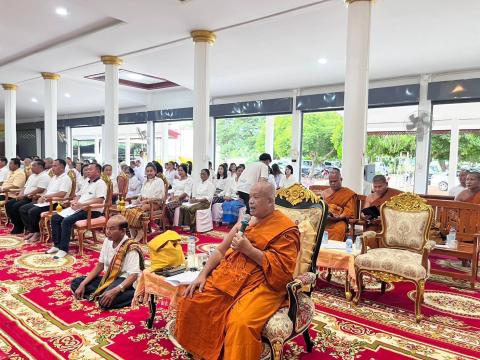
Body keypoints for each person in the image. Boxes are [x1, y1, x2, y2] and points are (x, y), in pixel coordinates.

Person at [174, 181, 300, 359]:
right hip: (231, 276)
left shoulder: (285, 229)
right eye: (251, 196)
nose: (251, 202)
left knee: (240, 322)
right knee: (190, 299)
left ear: (270, 202)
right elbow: (220, 250)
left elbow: (282, 272)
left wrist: (249, 250)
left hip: (264, 284)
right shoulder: (246, 222)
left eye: (256, 198)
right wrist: (202, 275)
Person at [71, 215, 144, 309]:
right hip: (109, 278)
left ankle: (138, 294)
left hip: (124, 281)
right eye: (107, 228)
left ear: (122, 231)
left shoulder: (131, 247)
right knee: (76, 283)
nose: (107, 232)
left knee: (104, 303)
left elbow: (133, 275)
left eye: (112, 229)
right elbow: (100, 265)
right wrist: (83, 284)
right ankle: (103, 295)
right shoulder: (107, 241)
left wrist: (116, 290)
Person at [47, 163, 107, 258]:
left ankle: (63, 249)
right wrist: (75, 201)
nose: (87, 171)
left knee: (66, 221)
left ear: (98, 172)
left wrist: (82, 204)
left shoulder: (101, 183)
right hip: (79, 208)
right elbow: (79, 194)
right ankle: (57, 245)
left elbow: (100, 199)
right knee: (55, 218)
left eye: (90, 169)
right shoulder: (86, 181)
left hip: (91, 211)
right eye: (86, 169)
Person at [20, 159, 73, 243]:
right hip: (47, 201)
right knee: (25, 208)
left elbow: (62, 193)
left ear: (62, 168)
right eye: (52, 166)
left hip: (57, 203)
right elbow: (47, 190)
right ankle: (33, 231)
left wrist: (46, 196)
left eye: (55, 166)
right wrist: (42, 196)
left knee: (32, 211)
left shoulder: (65, 178)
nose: (52, 168)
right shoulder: (54, 178)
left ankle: (37, 233)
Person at [121, 163, 165, 241]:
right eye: (147, 171)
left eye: (151, 171)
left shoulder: (159, 181)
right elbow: (141, 194)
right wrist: (137, 201)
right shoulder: (145, 181)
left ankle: (140, 231)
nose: (149, 173)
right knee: (128, 209)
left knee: (139, 209)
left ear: (155, 171)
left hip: (154, 204)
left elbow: (159, 197)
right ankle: (133, 234)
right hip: (143, 202)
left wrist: (147, 200)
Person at [6, 159, 50, 234]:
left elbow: (40, 189)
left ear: (40, 167)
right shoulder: (32, 176)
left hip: (32, 198)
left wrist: (25, 195)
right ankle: (18, 225)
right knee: (9, 204)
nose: (31, 167)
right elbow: (25, 187)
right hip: (25, 196)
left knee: (17, 206)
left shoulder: (44, 176)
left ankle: (24, 227)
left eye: (34, 166)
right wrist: (21, 194)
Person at [321, 169, 356, 241]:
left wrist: (339, 217)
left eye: (335, 181)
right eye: (331, 181)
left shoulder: (348, 193)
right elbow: (321, 207)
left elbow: (349, 211)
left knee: (338, 230)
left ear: (341, 179)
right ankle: (321, 251)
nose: (333, 183)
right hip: (326, 220)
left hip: (340, 221)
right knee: (316, 228)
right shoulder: (324, 193)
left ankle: (334, 251)